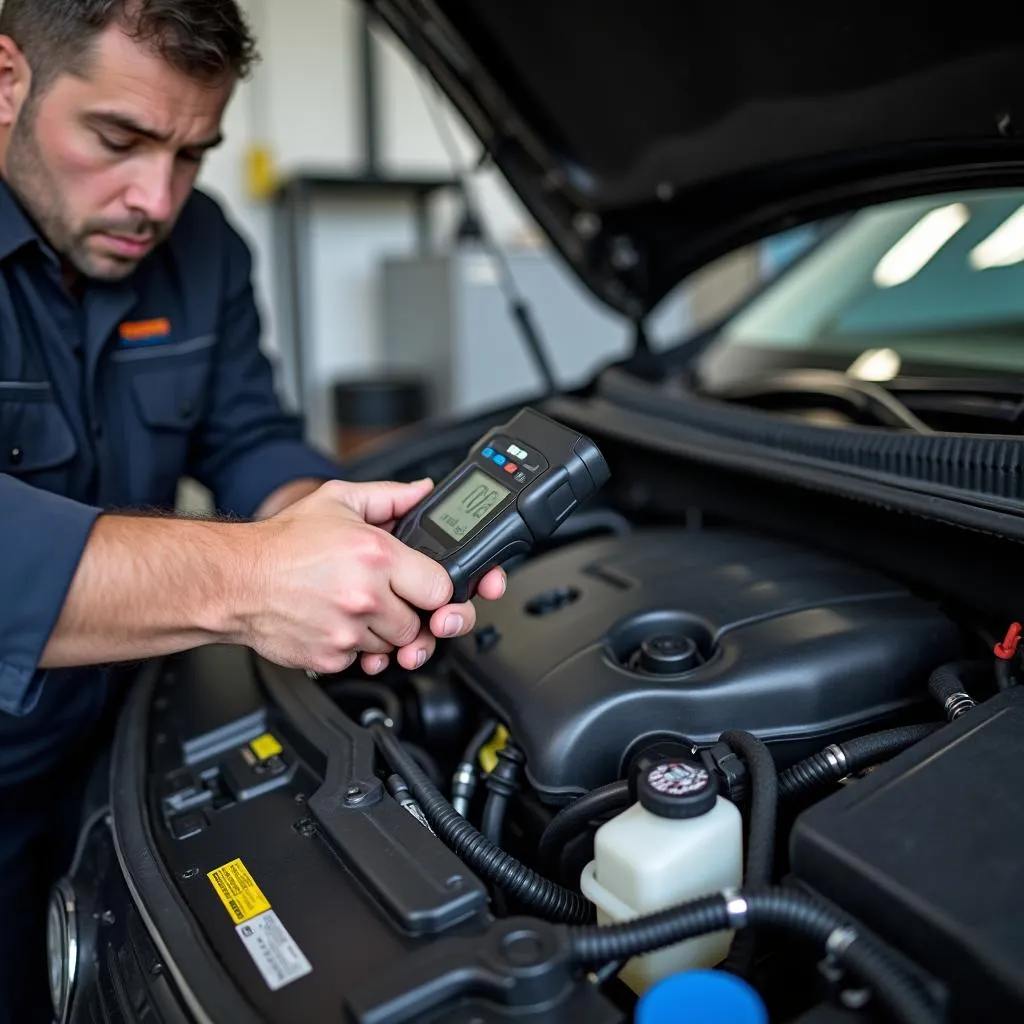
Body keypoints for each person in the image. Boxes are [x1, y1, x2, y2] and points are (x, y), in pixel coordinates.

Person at [0, 2, 508, 1021]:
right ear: (6, 77)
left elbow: (248, 436)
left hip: (122, 750)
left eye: (193, 153)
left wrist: (335, 532)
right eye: (119, 139)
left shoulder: (207, 249)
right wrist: (253, 576)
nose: (156, 197)